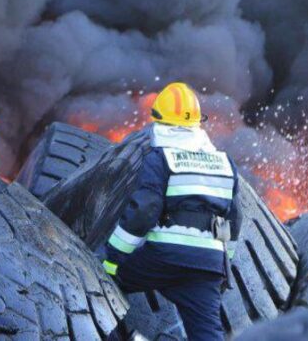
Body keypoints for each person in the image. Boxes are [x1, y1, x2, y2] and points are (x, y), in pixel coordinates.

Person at [102, 82, 238, 341]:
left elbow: (144, 210)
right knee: (208, 335)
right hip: (208, 265)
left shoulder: (160, 157)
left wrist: (113, 258)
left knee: (102, 285)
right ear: (198, 122)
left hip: (163, 258)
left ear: (159, 121)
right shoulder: (225, 162)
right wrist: (223, 262)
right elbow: (234, 219)